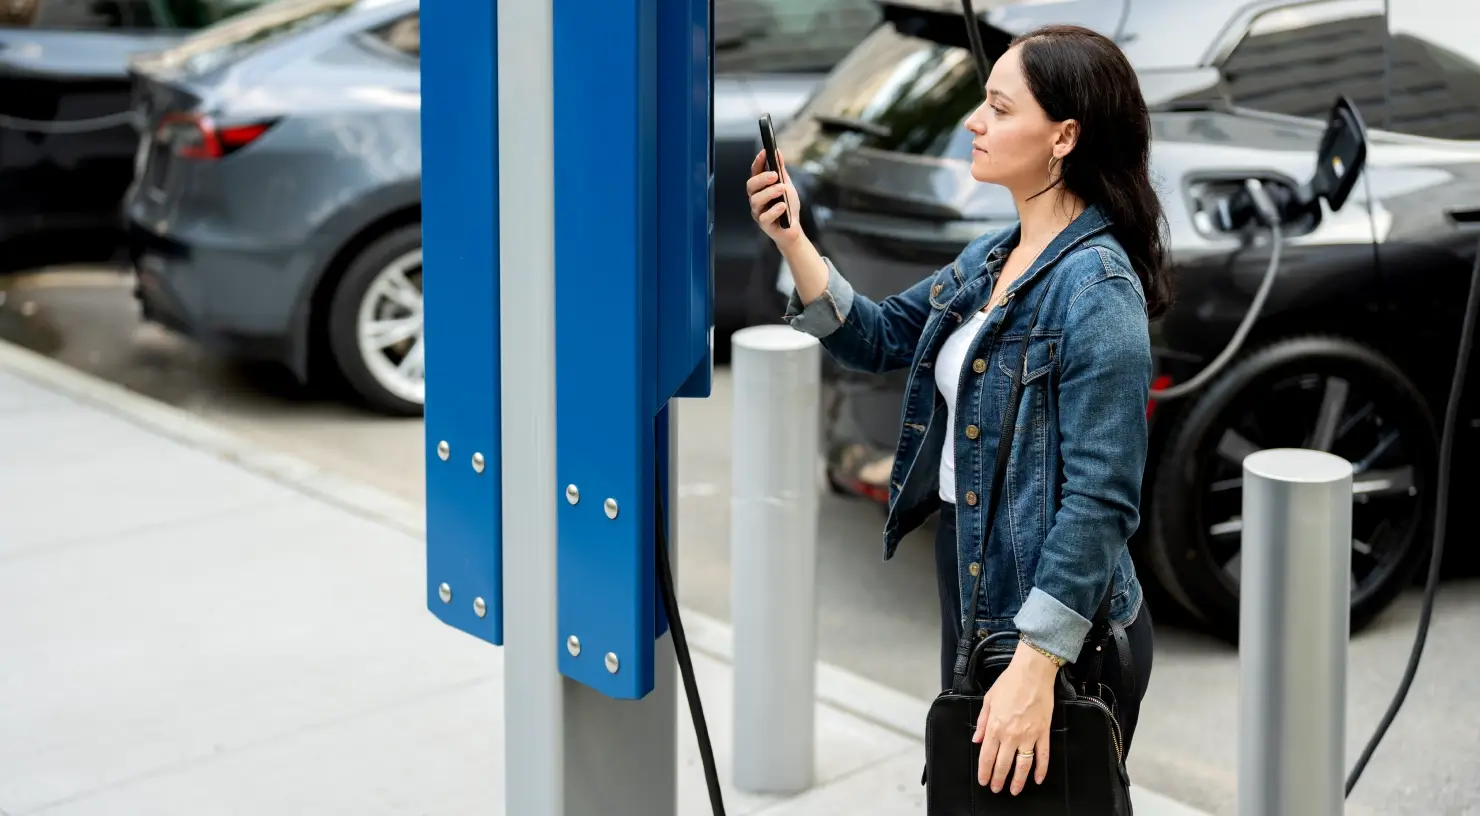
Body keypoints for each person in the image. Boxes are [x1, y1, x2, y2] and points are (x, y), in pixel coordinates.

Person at [746, 23, 1165, 798]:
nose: (976, 121)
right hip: (976, 592)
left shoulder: (1098, 291)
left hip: (1057, 627)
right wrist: (793, 238)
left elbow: (1102, 501)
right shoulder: (997, 256)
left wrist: (1039, 665)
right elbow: (878, 338)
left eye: (1000, 109)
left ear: (1063, 137)